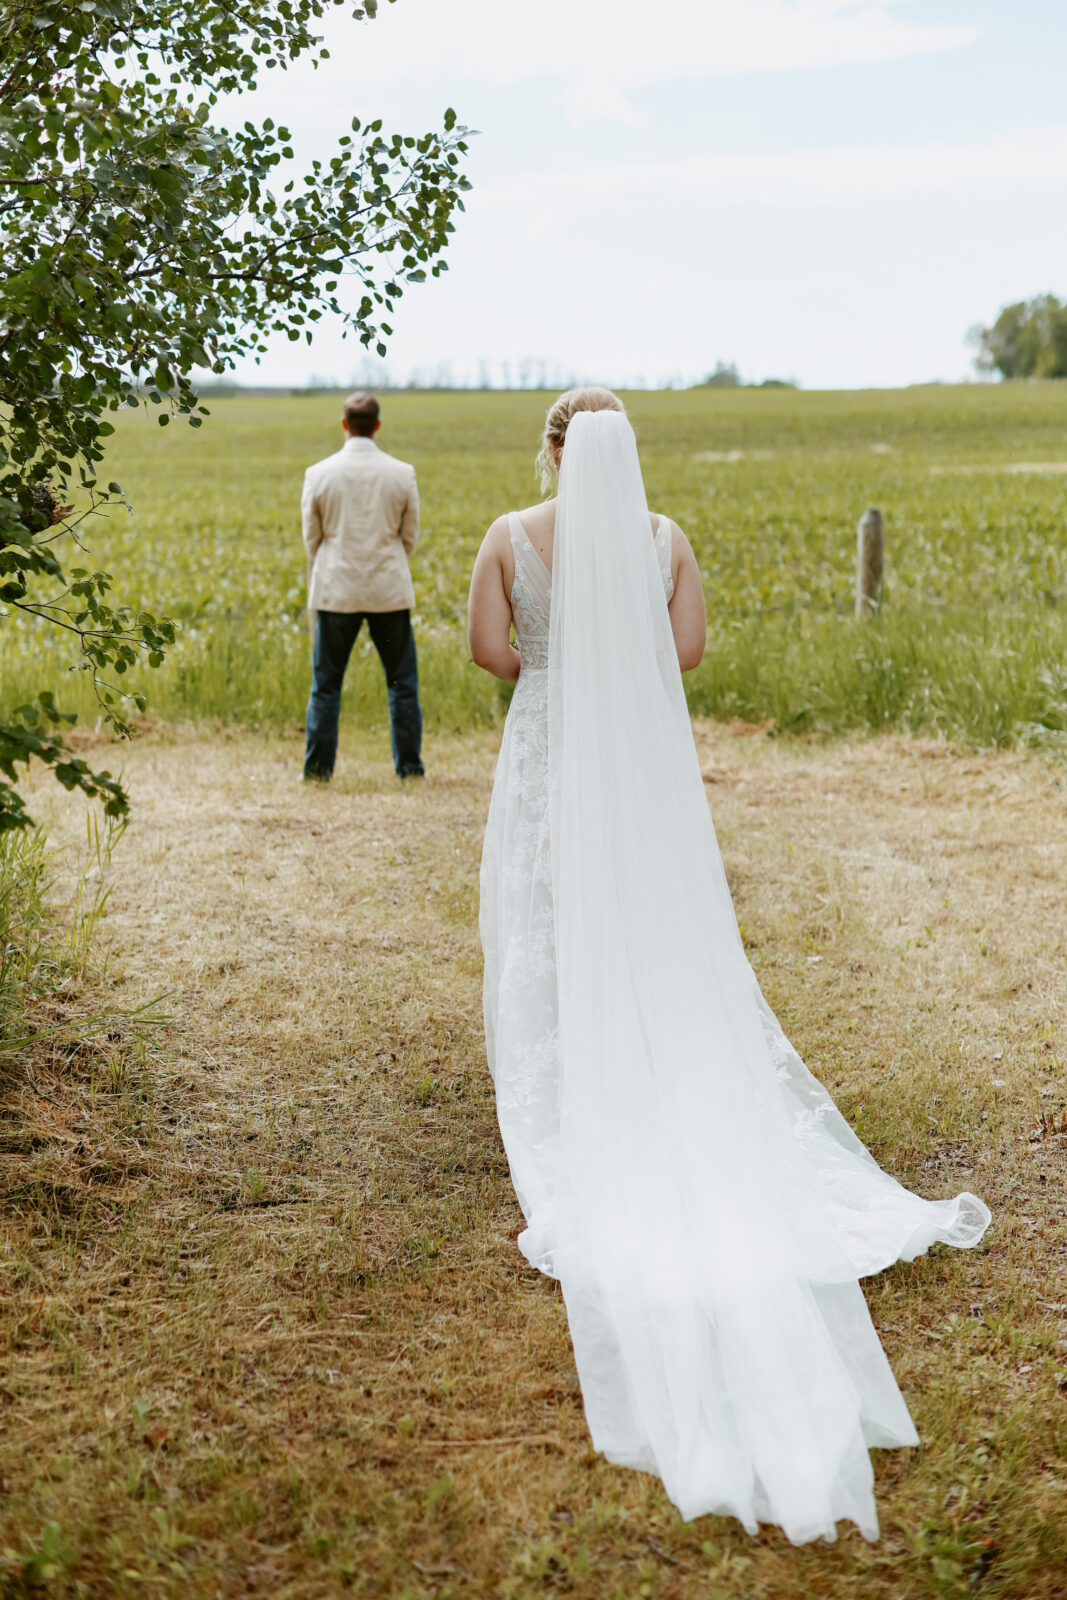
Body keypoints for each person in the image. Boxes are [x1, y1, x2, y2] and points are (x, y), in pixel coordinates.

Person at [467, 386, 990, 1546]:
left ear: (551, 449)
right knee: (652, 916)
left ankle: (580, 1078)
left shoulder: (509, 535)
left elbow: (490, 653)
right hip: (643, 762)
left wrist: (560, 667)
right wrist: (619, 666)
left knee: (551, 918)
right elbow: (687, 653)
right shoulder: (664, 538)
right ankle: (663, 1063)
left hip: (550, 750)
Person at [302, 391, 424, 780]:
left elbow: (312, 539)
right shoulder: (402, 473)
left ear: (344, 424)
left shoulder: (318, 474)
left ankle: (318, 770)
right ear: (377, 425)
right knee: (402, 683)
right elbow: (410, 537)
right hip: (388, 590)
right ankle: (409, 768)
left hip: (336, 591)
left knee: (326, 685)